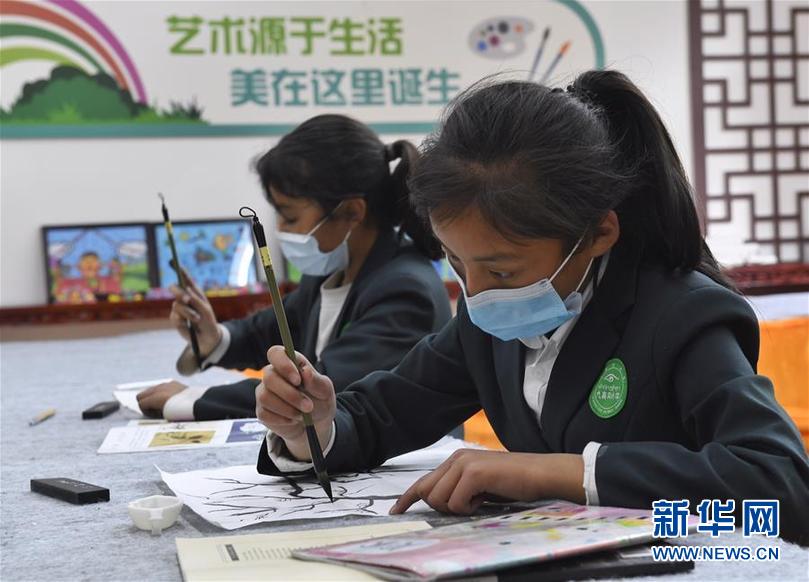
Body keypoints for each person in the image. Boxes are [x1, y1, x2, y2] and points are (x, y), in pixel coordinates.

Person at [253, 72, 809, 544]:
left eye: (501, 271)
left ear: (598, 234)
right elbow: (382, 414)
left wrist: (557, 473)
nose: (475, 293)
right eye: (456, 262)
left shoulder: (681, 316)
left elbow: (780, 485)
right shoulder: (487, 319)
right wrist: (312, 428)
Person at [137, 115, 451, 421]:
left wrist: (192, 400)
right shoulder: (331, 271)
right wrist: (215, 338)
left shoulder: (405, 290)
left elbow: (317, 389)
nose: (281, 230)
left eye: (290, 217)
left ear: (352, 212)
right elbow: (269, 332)